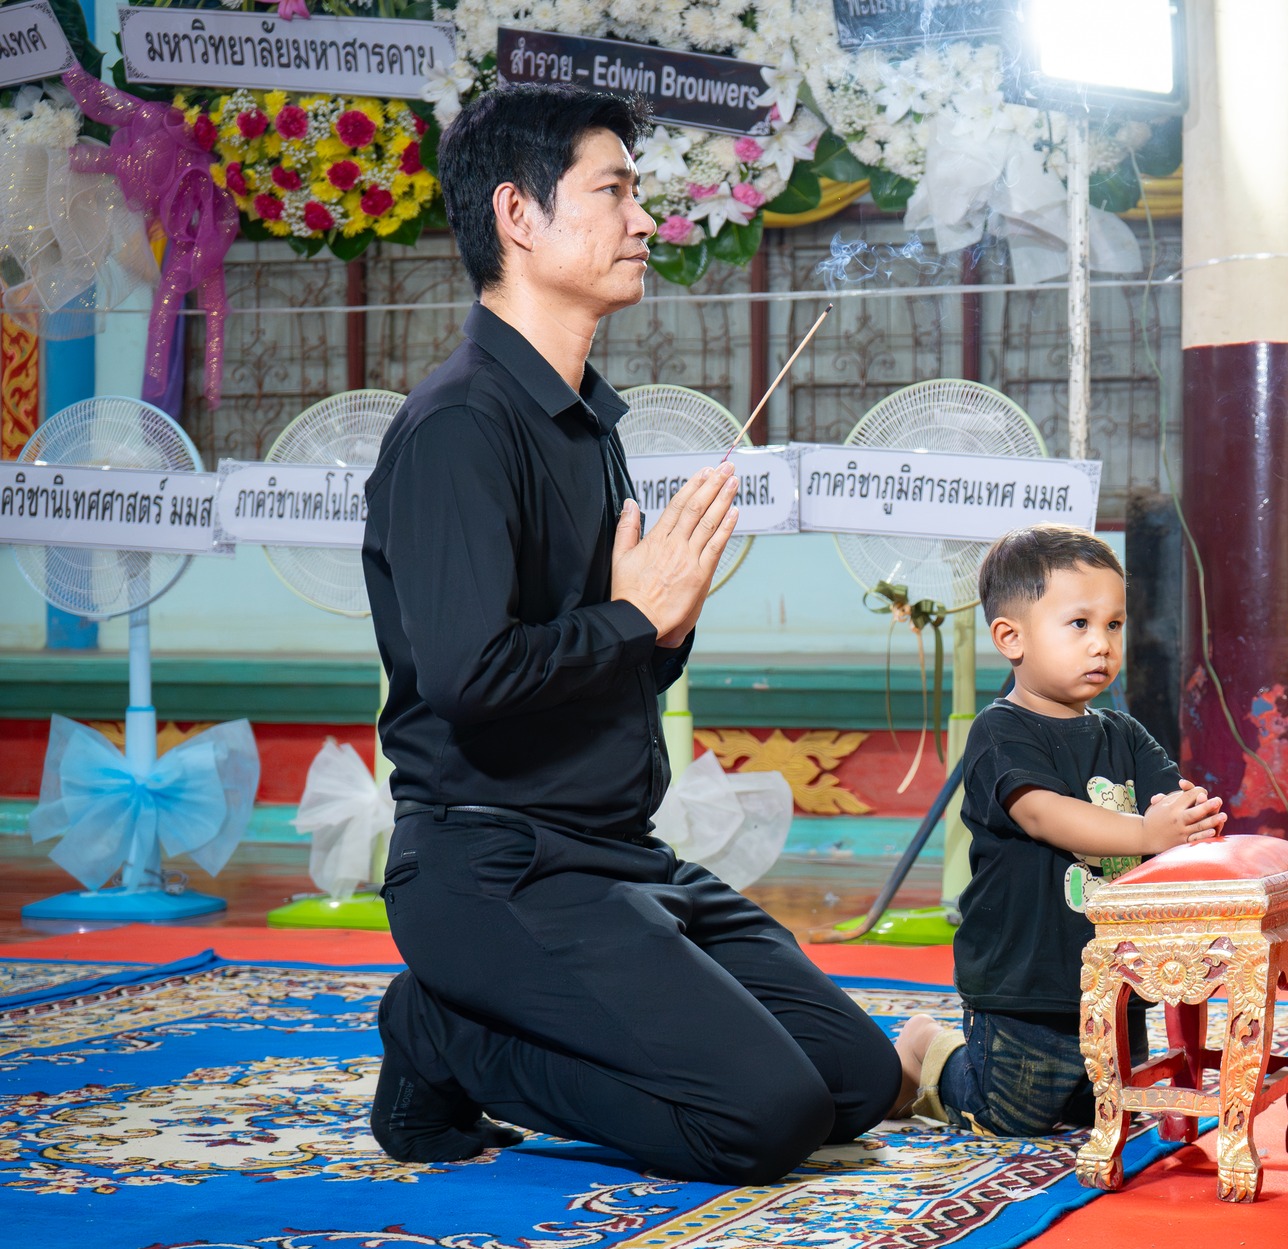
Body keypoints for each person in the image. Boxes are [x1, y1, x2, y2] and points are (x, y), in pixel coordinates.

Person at [361, 84, 905, 1184]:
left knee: (856, 1079)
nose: (645, 219)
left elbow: (607, 663)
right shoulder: (459, 427)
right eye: (613, 191)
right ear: (518, 215)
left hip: (621, 855)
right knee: (764, 1118)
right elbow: (470, 680)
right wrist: (633, 618)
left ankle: (489, 1017)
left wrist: (663, 630)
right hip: (494, 867)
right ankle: (442, 1031)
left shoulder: (588, 425)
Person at [894, 526, 1227, 1135]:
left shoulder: (1124, 733)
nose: (1102, 644)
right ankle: (928, 1049)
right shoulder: (1000, 731)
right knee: (1011, 1114)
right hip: (1025, 979)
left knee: (1110, 1108)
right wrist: (1149, 834)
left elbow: (1169, 803)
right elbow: (1043, 813)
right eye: (1079, 624)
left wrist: (1191, 818)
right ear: (1011, 637)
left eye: (1114, 625)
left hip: (1115, 972)